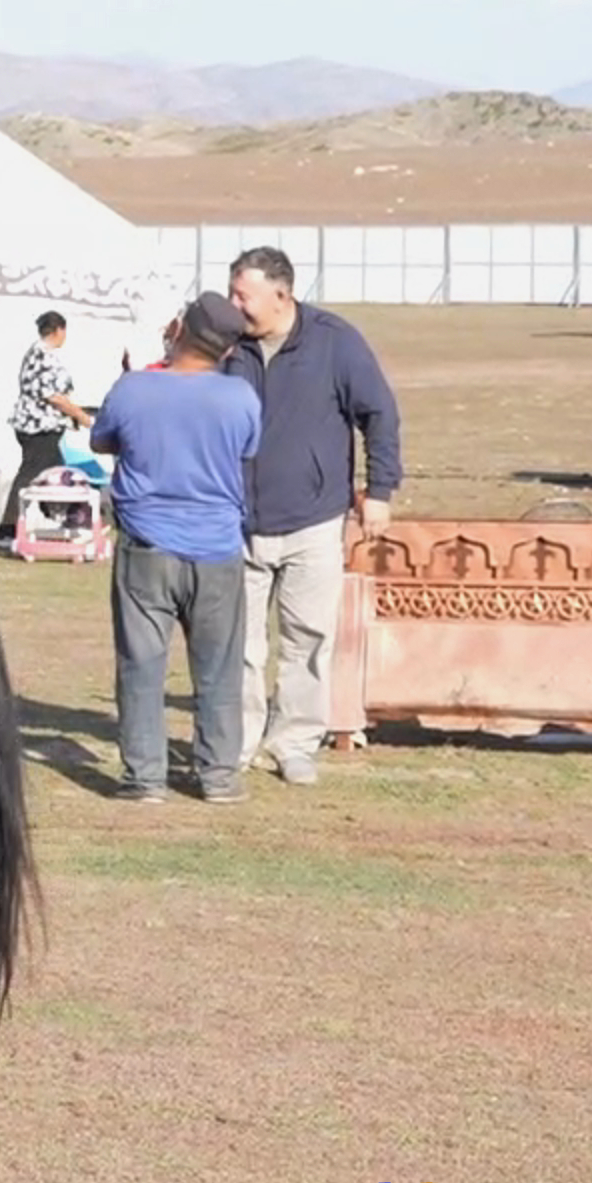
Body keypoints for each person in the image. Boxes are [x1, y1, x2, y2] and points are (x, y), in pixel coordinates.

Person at [218, 245, 404, 785]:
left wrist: (380, 490)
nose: (234, 304)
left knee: (307, 640)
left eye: (243, 295)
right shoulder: (226, 344)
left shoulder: (335, 342)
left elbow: (379, 413)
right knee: (239, 643)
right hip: (235, 521)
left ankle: (295, 743)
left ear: (281, 295)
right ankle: (237, 743)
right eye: (231, 293)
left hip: (314, 520)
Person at [93, 293, 264, 802]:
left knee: (141, 665)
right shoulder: (240, 398)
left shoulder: (133, 388)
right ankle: (219, 776)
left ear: (179, 329)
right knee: (219, 669)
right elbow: (247, 448)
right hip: (218, 547)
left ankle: (145, 778)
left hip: (147, 543)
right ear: (228, 349)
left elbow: (102, 441)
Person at [0, 309, 97, 542]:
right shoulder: (45, 357)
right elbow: (54, 397)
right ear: (59, 330)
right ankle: (8, 528)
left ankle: (70, 520)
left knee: (57, 474)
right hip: (39, 429)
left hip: (37, 426)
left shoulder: (35, 353)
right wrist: (82, 417)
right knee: (32, 475)